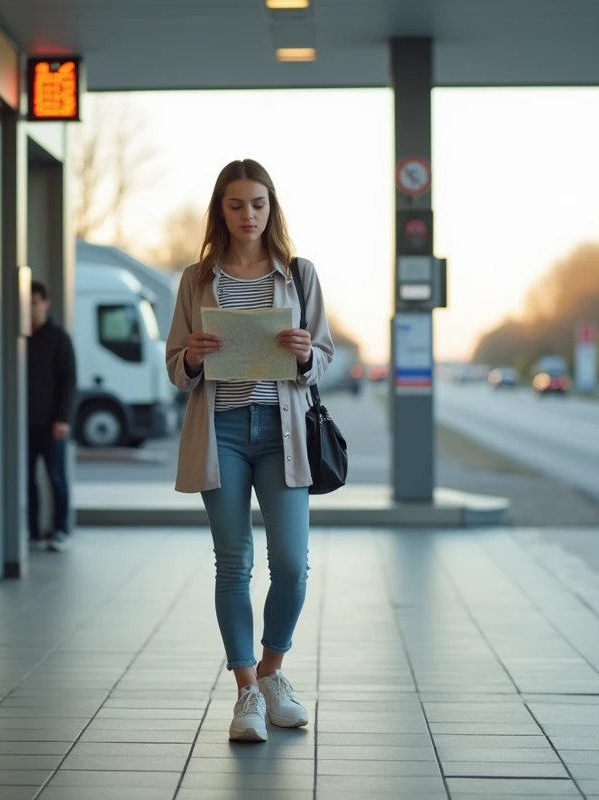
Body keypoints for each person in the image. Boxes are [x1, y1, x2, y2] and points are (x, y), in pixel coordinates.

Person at [165, 159, 334, 742]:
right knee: (233, 561)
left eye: (257, 204)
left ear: (271, 207)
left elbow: (324, 362)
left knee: (291, 564)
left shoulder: (299, 273)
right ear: (221, 210)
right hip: (223, 433)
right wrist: (191, 355)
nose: (248, 215)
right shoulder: (196, 278)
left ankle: (271, 675)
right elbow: (175, 371)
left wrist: (307, 351)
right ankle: (245, 695)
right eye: (236, 205)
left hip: (281, 432)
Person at [25, 281, 76, 553]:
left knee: (56, 477)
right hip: (23, 424)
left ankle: (61, 530)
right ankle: (32, 532)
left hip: (52, 424)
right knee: (26, 480)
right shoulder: (19, 338)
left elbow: (69, 381)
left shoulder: (58, 338)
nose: (30, 309)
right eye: (26, 304)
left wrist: (62, 419)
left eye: (34, 302)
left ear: (46, 303)